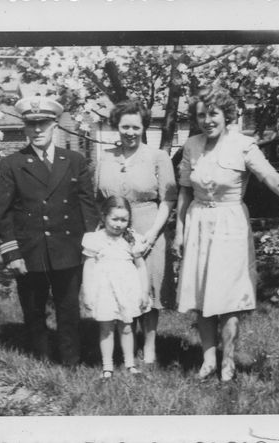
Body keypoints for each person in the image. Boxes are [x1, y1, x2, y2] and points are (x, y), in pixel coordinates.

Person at [173, 86, 279, 382]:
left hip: (230, 224)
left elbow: (271, 177)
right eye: (201, 115)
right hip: (198, 221)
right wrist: (180, 230)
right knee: (201, 292)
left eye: (213, 113)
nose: (207, 120)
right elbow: (184, 189)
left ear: (226, 115)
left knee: (228, 295)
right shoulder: (191, 145)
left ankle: (228, 361)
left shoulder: (243, 145)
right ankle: (208, 358)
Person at [0, 96, 99, 366]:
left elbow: (88, 207)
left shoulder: (74, 161)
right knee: (33, 310)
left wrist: (90, 248)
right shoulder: (12, 164)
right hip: (30, 251)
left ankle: (70, 362)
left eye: (43, 124)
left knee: (68, 310)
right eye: (31, 125)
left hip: (68, 250)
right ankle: (41, 361)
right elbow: (2, 214)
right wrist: (12, 253)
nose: (37, 130)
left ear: (55, 126)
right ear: (25, 128)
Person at [95, 100, 177, 364]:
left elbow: (168, 200)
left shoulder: (158, 157)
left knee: (148, 290)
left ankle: (150, 345)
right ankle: (123, 345)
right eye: (124, 127)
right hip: (113, 230)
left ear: (144, 128)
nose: (130, 132)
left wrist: (151, 235)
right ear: (116, 128)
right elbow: (98, 198)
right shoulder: (105, 158)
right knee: (119, 285)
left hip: (147, 226)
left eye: (135, 127)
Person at [81, 196, 150, 379]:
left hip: (127, 289)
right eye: (115, 219)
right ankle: (107, 367)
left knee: (127, 327)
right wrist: (87, 293)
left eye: (123, 220)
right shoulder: (95, 239)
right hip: (104, 291)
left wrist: (144, 291)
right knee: (106, 328)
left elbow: (141, 266)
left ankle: (129, 364)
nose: (119, 224)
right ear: (104, 217)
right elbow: (88, 267)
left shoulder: (132, 239)